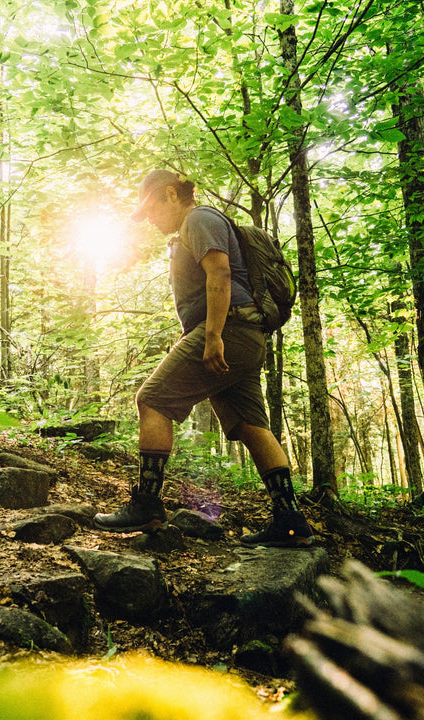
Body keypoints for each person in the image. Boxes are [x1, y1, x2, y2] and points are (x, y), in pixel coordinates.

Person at [93, 169, 314, 548]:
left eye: (152, 209)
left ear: (171, 195)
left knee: (152, 399)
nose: (150, 219)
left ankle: (147, 503)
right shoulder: (196, 226)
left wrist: (212, 337)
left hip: (228, 331)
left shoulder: (199, 218)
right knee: (248, 424)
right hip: (243, 335)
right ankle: (291, 522)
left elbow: (220, 272)